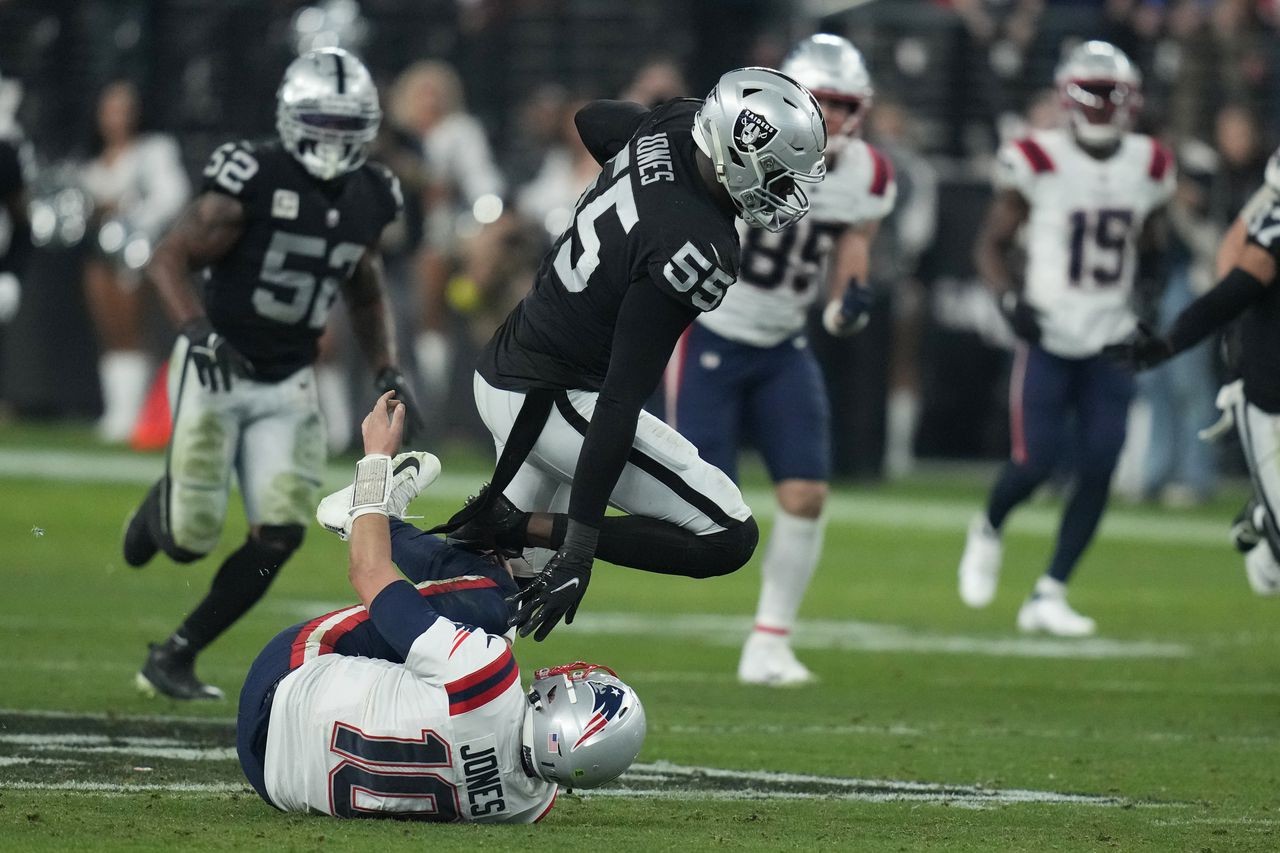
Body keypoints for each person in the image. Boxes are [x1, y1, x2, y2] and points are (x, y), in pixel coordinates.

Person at [436, 67, 828, 642]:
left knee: (493, 598)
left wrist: (636, 177)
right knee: (725, 535)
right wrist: (579, 550)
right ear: (738, 154)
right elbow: (620, 398)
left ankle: (412, 688)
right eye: (777, 171)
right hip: (551, 396)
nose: (786, 189)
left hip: (520, 361)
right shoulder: (698, 244)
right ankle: (512, 525)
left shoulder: (675, 125)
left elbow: (592, 118)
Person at [123, 47, 419, 700]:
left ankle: (176, 653)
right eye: (323, 121)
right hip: (218, 362)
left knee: (280, 532)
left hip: (289, 377)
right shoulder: (251, 173)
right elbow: (167, 258)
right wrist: (197, 332)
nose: (336, 138)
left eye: (349, 124)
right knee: (188, 539)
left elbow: (364, 286)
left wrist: (386, 364)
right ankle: (158, 514)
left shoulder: (375, 192)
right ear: (292, 118)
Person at [238, 390, 646, 821]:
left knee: (495, 601)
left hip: (282, 679)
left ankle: (362, 512)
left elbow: (368, 574)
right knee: (476, 638)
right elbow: (482, 717)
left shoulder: (485, 671)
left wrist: (375, 459)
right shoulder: (527, 806)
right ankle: (377, 520)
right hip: (272, 777)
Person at [664, 36, 895, 685]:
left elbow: (851, 247)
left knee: (806, 492)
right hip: (709, 331)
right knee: (702, 512)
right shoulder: (740, 141)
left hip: (783, 342)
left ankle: (769, 641)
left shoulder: (869, 174)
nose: (837, 116)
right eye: (824, 101)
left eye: (847, 104)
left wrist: (846, 306)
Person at [957, 41, 1175, 636]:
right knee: (1033, 464)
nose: (1103, 105)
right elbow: (990, 244)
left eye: (1112, 94)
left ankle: (1050, 590)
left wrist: (1149, 296)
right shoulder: (1035, 157)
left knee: (1101, 464)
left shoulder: (1150, 163)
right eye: (1094, 93)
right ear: (1068, 95)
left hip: (1110, 337)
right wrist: (1009, 300)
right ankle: (990, 526)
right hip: (1051, 334)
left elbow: (1154, 244)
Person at [1107, 143, 1280, 597]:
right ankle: (1266, 519)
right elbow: (1229, 289)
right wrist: (1169, 343)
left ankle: (1265, 519)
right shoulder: (1271, 235)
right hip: (1272, 397)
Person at [80, 80, 190, 442]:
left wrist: (132, 216)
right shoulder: (92, 159)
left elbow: (174, 196)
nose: (116, 118)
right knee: (109, 331)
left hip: (139, 250)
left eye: (124, 109)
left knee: (131, 330)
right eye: (109, 109)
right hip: (100, 252)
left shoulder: (154, 150)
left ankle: (137, 414)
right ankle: (117, 412)